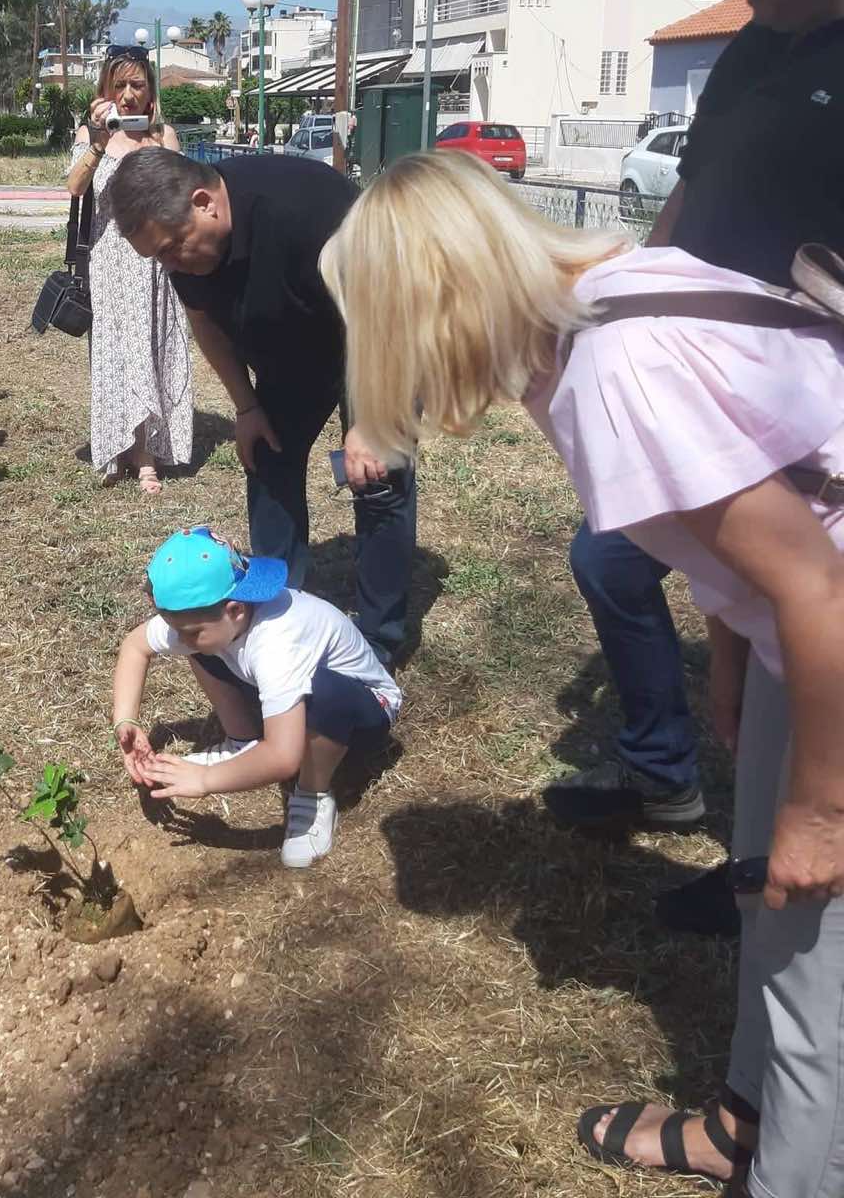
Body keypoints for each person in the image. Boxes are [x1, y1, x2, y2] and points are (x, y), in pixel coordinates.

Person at [321, 148, 844, 1197]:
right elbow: (769, 502)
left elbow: (822, 587)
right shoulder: (601, 302)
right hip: (804, 641)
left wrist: (823, 809)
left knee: (822, 990)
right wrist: (737, 663)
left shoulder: (619, 375)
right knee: (773, 922)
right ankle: (745, 1125)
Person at [547, 0, 844, 943]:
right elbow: (691, 207)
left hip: (794, 405)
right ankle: (705, 802)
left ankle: (783, 850)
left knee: (794, 598)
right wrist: (616, 301)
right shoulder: (758, 48)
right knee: (622, 558)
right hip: (692, 373)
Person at [107, 146, 416, 666]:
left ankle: (380, 644)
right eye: (156, 258)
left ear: (204, 203)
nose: (170, 265)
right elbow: (204, 322)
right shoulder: (185, 248)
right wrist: (247, 407)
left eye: (171, 249)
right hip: (293, 349)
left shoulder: (303, 206)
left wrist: (369, 421)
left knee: (377, 476)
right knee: (268, 455)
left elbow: (383, 310)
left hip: (378, 332)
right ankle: (277, 618)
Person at [111, 525, 401, 867]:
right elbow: (135, 646)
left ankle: (313, 792)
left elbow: (282, 757)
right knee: (204, 649)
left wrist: (206, 780)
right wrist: (126, 720)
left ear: (235, 610)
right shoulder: (207, 618)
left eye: (189, 632)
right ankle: (241, 743)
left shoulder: (279, 642)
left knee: (322, 691)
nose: (181, 639)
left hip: (363, 710)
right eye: (176, 630)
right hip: (292, 688)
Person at [66, 46, 192, 494]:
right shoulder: (91, 135)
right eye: (118, 85)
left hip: (155, 263)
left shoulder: (164, 137)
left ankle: (147, 451)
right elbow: (74, 187)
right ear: (104, 90)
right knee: (118, 354)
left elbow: (182, 201)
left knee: (152, 350)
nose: (127, 95)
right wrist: (99, 143)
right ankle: (123, 447)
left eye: (137, 84)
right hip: (111, 263)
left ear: (151, 90)